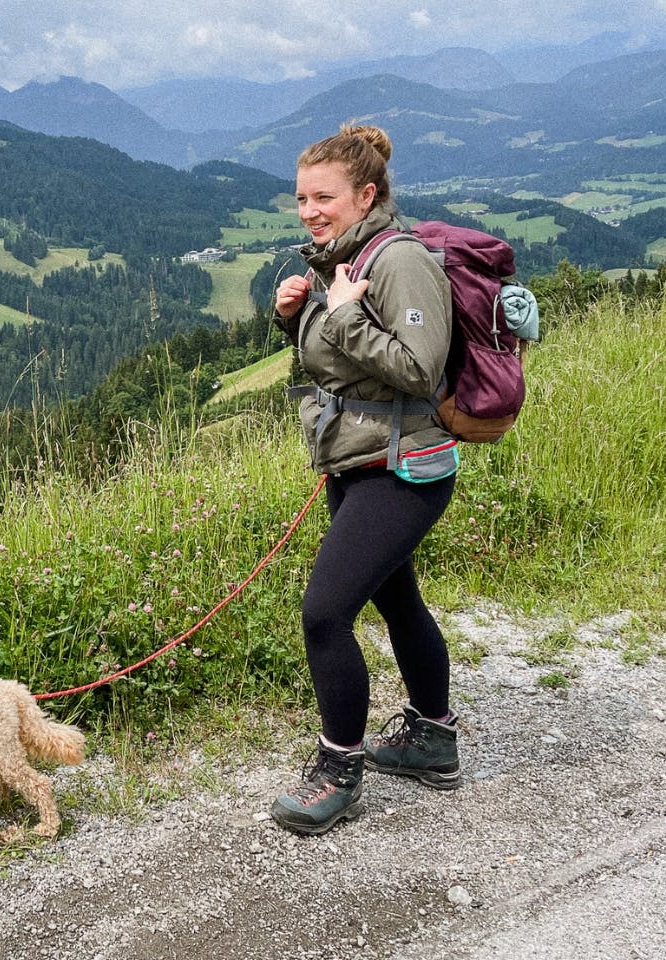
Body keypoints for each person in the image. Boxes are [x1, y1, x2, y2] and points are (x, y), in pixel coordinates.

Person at [267, 124, 462, 836]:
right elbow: (341, 361)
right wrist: (294, 319)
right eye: (301, 198)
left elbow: (417, 368)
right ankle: (433, 738)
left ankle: (337, 768)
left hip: (403, 466)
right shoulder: (338, 259)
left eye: (324, 197)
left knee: (324, 613)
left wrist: (343, 316)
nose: (309, 210)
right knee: (397, 600)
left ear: (367, 195)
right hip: (355, 458)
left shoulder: (400, 260)